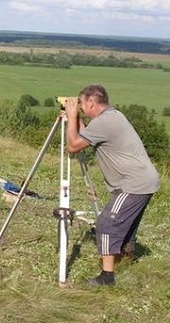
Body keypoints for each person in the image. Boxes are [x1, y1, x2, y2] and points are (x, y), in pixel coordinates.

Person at [64, 84, 159, 287]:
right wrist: (77, 119)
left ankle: (107, 277)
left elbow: (72, 146)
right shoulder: (112, 116)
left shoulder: (105, 122)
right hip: (144, 180)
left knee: (106, 223)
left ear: (91, 101)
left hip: (133, 183)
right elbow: (86, 136)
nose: (79, 106)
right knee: (127, 222)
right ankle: (127, 254)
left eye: (81, 103)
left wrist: (71, 117)